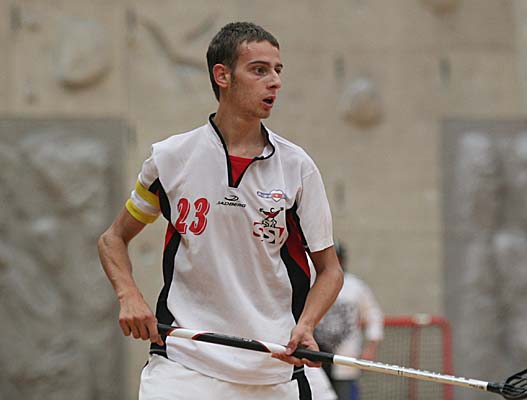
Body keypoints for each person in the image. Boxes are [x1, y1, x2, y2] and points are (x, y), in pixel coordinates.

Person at [97, 22, 344, 400]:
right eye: (259, 70)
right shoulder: (170, 158)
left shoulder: (298, 168)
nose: (275, 82)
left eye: (278, 70)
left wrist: (306, 324)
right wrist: (129, 295)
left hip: (272, 369)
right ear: (222, 75)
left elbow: (329, 271)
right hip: (184, 364)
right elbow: (113, 239)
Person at [313, 242, 384, 400]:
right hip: (314, 355)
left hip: (346, 356)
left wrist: (371, 347)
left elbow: (373, 315)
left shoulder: (356, 286)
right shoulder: (310, 282)